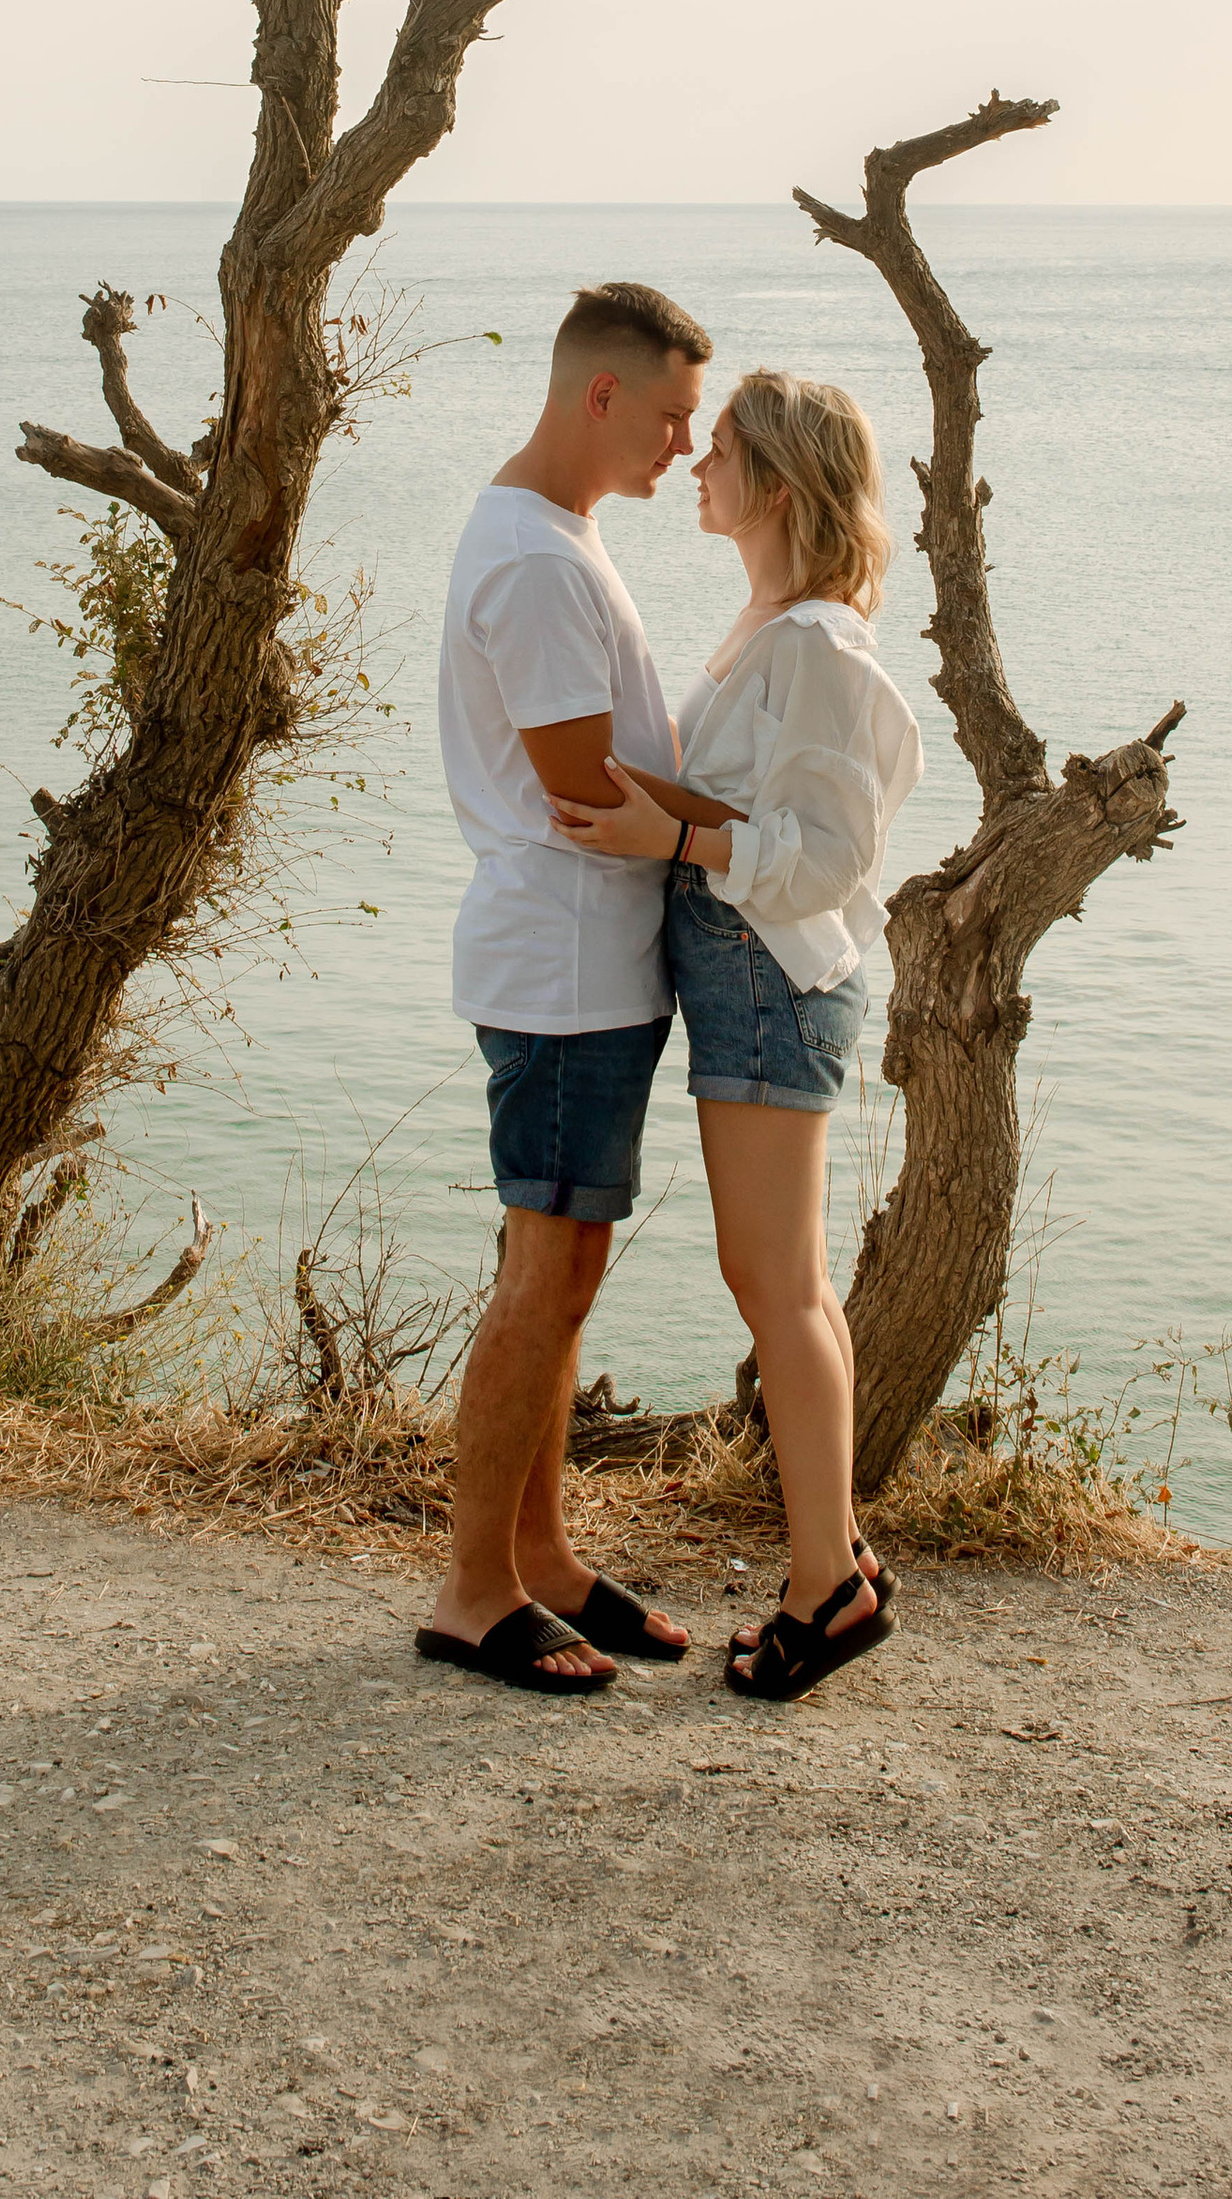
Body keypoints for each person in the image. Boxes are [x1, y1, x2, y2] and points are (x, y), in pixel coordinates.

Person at [550, 368, 920, 1701]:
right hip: (749, 970)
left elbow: (829, 854)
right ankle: (838, 1562)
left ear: (773, 481)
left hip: (770, 972)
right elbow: (730, 795)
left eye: (717, 450)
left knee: (777, 1286)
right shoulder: (772, 625)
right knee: (790, 1284)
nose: (694, 467)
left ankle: (827, 1582)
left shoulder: (815, 642)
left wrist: (677, 836)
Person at [416, 279, 715, 1696]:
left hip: (590, 963)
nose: (680, 445)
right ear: (600, 395)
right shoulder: (537, 560)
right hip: (562, 965)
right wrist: (744, 826)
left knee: (567, 1275)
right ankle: (474, 1591)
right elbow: (581, 781)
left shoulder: (555, 534)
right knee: (541, 1283)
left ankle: (541, 1558)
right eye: (668, 417)